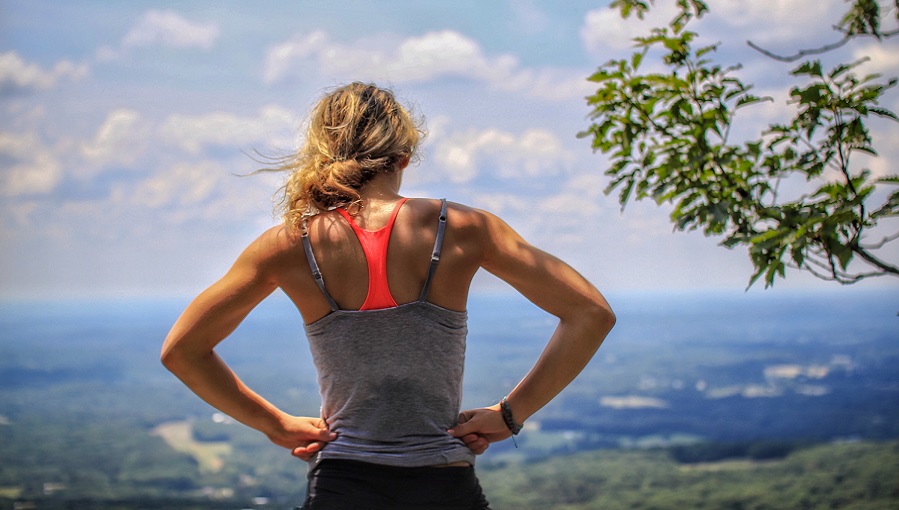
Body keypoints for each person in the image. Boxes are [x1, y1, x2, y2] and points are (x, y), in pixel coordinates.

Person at [161, 82, 616, 510]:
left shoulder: (287, 244)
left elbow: (183, 351)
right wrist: (510, 414)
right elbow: (590, 313)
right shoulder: (460, 229)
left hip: (341, 484)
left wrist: (274, 425)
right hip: (444, 484)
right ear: (404, 155)